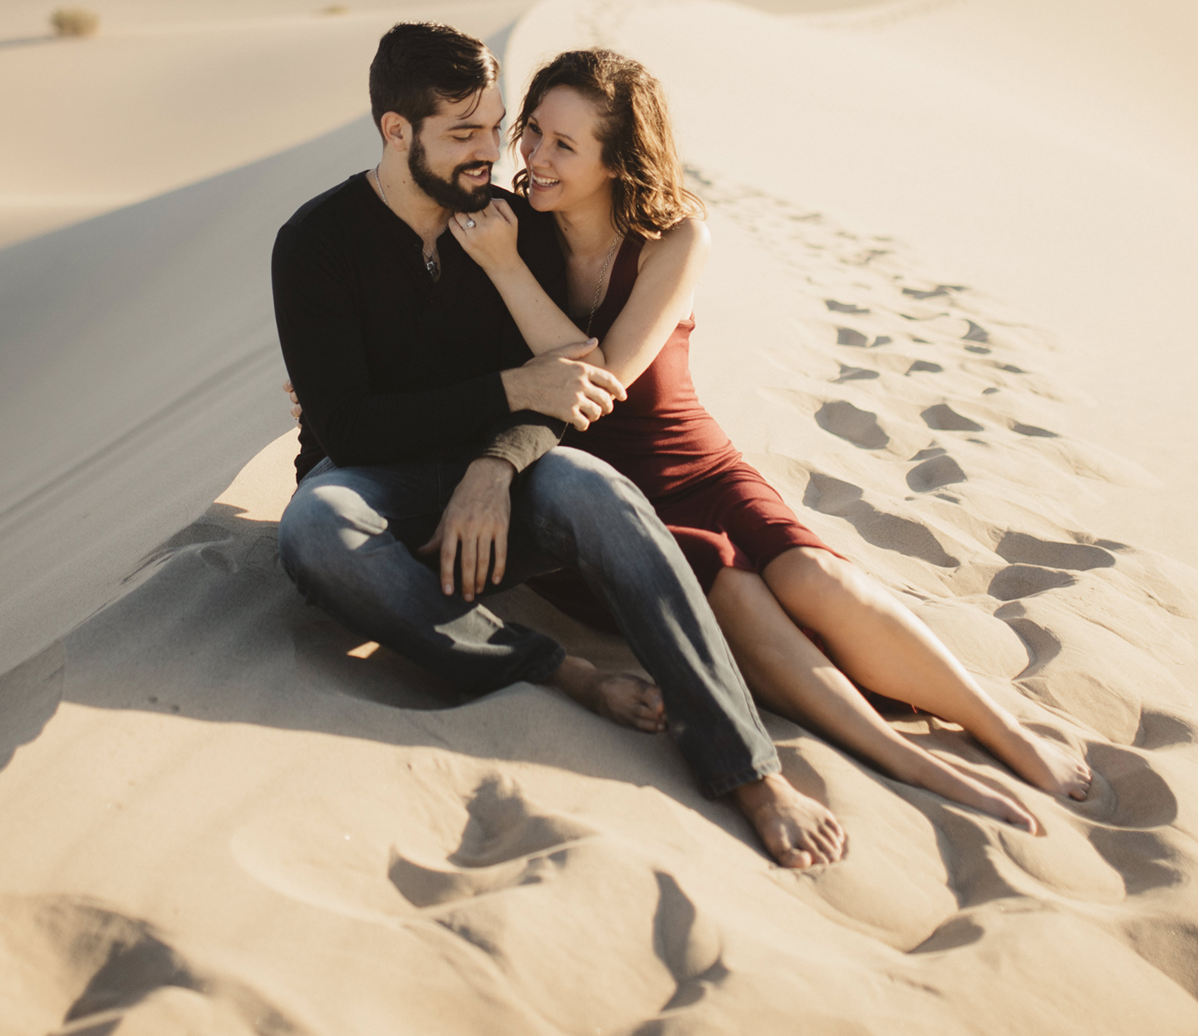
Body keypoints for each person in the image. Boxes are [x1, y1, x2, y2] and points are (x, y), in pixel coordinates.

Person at [449, 47, 1095, 834]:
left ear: (617, 161)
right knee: (737, 591)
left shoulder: (675, 233)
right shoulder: (510, 233)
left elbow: (606, 380)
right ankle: (906, 756)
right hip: (604, 502)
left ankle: (1003, 729)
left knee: (815, 577)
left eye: (563, 145)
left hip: (700, 464)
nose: (535, 158)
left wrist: (507, 273)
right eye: (534, 132)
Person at [271, 22, 847, 868]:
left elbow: (569, 379)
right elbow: (351, 426)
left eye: (495, 127)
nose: (491, 153)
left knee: (601, 493)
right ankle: (557, 670)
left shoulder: (504, 224)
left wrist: (495, 461)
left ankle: (748, 766)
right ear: (397, 130)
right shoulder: (316, 244)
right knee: (313, 527)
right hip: (375, 488)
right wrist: (506, 393)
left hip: (504, 486)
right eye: (463, 133)